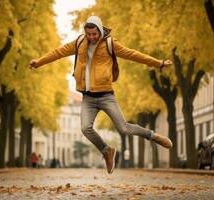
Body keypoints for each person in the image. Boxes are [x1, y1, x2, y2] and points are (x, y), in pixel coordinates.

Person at [29, 16, 173, 174]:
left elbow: (133, 54)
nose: (91, 37)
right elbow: (59, 52)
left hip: (106, 96)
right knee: (85, 128)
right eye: (88, 34)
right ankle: (107, 151)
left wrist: (158, 63)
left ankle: (153, 136)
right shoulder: (79, 43)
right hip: (88, 98)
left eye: (94, 34)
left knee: (124, 128)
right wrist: (39, 62)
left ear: (99, 30)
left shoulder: (110, 44)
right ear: (85, 32)